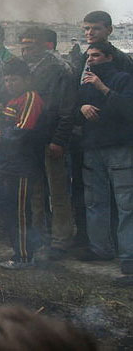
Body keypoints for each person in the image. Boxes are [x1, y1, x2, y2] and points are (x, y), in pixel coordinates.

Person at [75, 41, 133, 276]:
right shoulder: (85, 82)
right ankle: (100, 248)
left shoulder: (123, 79)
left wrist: (103, 88)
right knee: (95, 202)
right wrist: (82, 108)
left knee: (126, 204)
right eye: (89, 56)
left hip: (119, 148)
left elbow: (128, 109)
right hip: (92, 148)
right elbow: (75, 109)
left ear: (109, 57)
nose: (91, 60)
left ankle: (129, 256)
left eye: (96, 55)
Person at [19, 27, 76, 259]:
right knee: (36, 193)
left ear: (44, 45)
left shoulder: (59, 69)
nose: (26, 51)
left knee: (58, 193)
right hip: (31, 141)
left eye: (30, 46)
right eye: (23, 46)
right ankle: (39, 238)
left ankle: (61, 240)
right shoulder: (26, 70)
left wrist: (58, 140)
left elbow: (66, 109)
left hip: (51, 140)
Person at [0, 58, 47, 269]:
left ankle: (24, 257)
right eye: (6, 80)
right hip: (8, 164)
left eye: (13, 80)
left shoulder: (30, 98)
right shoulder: (13, 100)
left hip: (23, 165)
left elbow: (24, 130)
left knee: (20, 212)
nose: (9, 84)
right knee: (9, 209)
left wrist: (1, 135)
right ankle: (24, 248)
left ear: (26, 79)